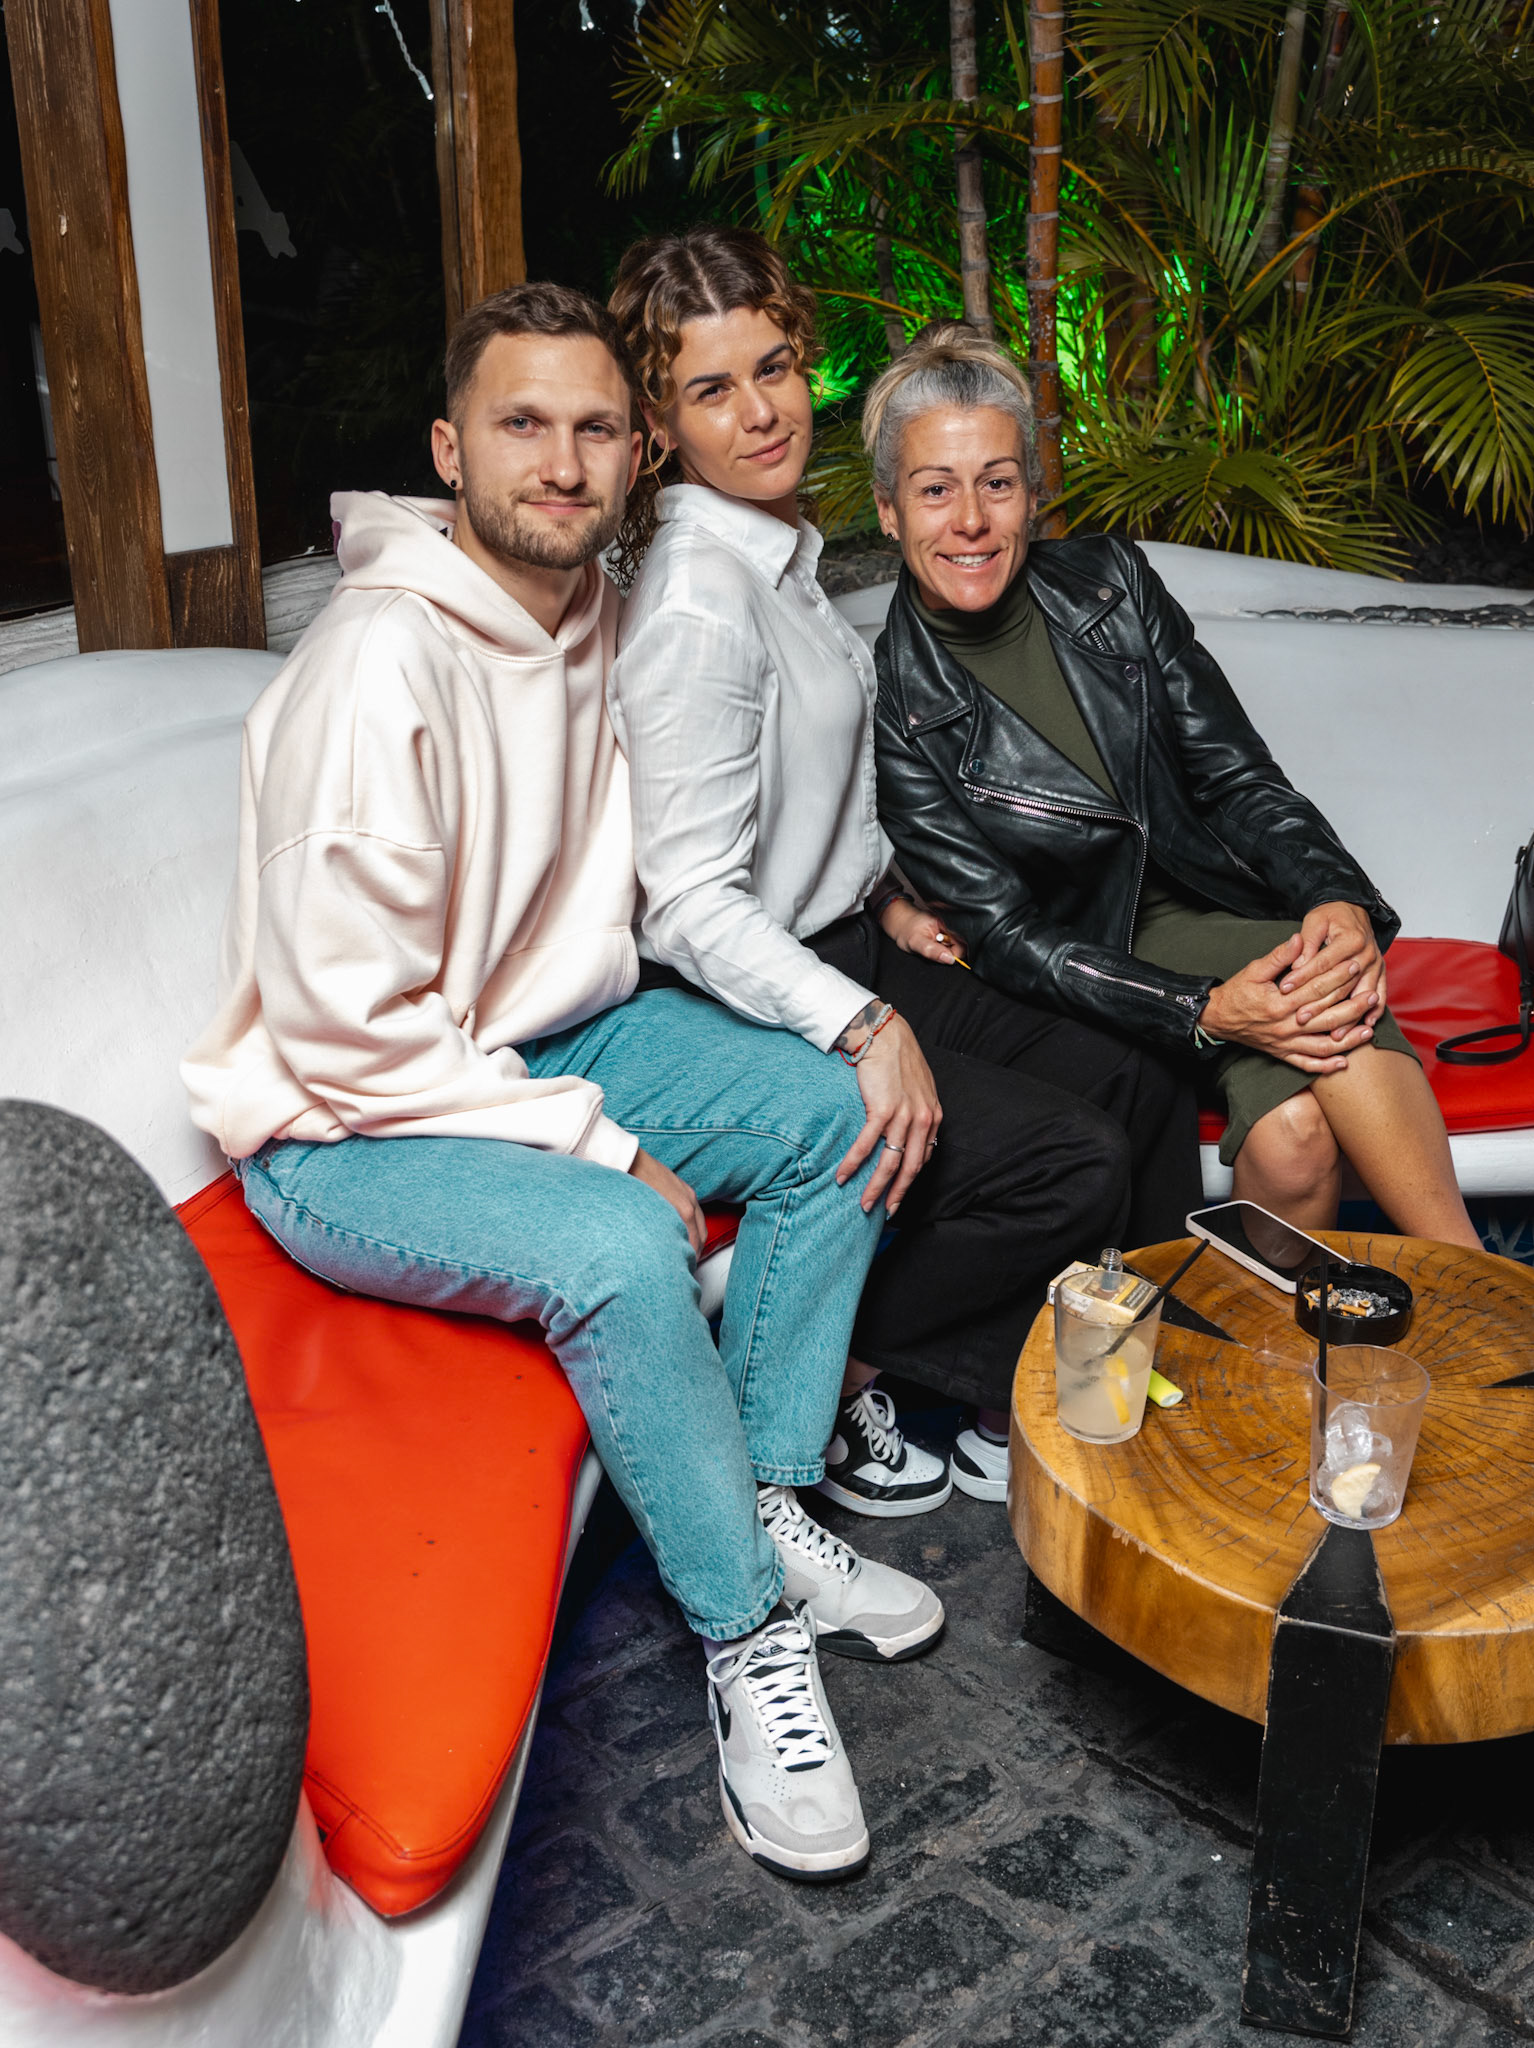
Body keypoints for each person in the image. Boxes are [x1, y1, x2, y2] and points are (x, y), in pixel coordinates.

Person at [181, 282, 946, 1887]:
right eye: (521, 424)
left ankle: (766, 1494)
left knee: (829, 1112)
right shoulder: (376, 665)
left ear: (636, 456)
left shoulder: (590, 608)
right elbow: (342, 1034)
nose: (562, 461)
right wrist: (596, 1147)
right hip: (351, 1122)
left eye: (596, 426)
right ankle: (745, 1637)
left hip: (539, 1043)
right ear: (448, 449)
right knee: (618, 1245)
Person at [606, 225, 1203, 1518]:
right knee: (1071, 1159)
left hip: (851, 940)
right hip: (757, 1001)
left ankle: (1078, 1389)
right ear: (660, 424)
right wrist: (864, 1025)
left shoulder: (779, 552)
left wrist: (884, 886)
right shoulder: (701, 604)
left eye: (773, 368)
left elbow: (809, 782)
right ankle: (829, 1363)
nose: (761, 411)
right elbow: (687, 900)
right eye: (712, 389)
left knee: (1142, 1073)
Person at [866, 326, 1481, 1251]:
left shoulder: (1112, 583)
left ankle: (1423, 1304)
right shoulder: (892, 701)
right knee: (1314, 1021)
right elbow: (1007, 937)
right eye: (934, 490)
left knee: (1295, 1129)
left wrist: (1334, 896)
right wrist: (1201, 1008)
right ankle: (1480, 1292)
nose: (970, 521)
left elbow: (1236, 777)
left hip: (1219, 904)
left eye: (996, 482)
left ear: (1032, 491)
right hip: (1088, 970)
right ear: (887, 511)